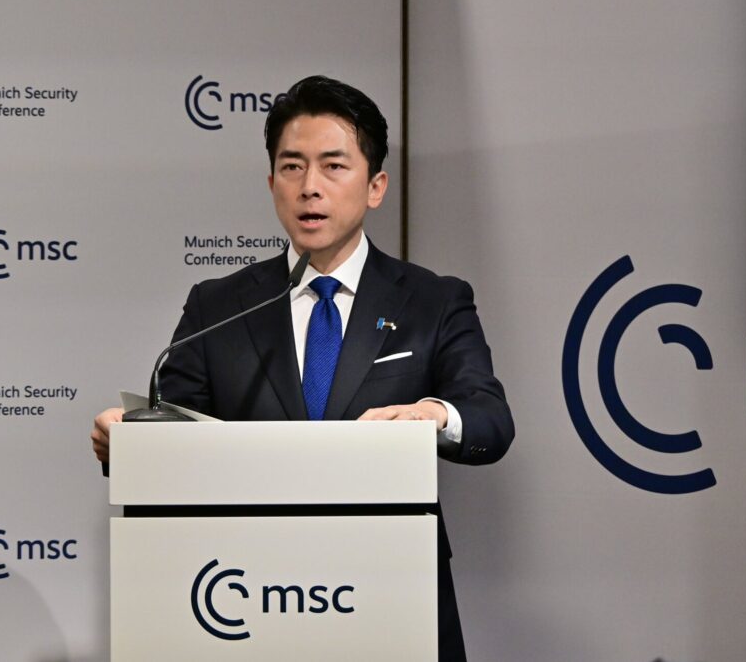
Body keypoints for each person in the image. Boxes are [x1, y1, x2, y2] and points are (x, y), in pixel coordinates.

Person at [91, 75, 514, 661]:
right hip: (250, 597)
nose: (310, 186)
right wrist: (129, 440)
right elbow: (174, 429)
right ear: (271, 184)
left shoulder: (433, 301)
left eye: (333, 166)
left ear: (375, 186)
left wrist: (433, 416)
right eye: (292, 167)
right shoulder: (218, 305)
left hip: (391, 593)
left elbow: (490, 421)